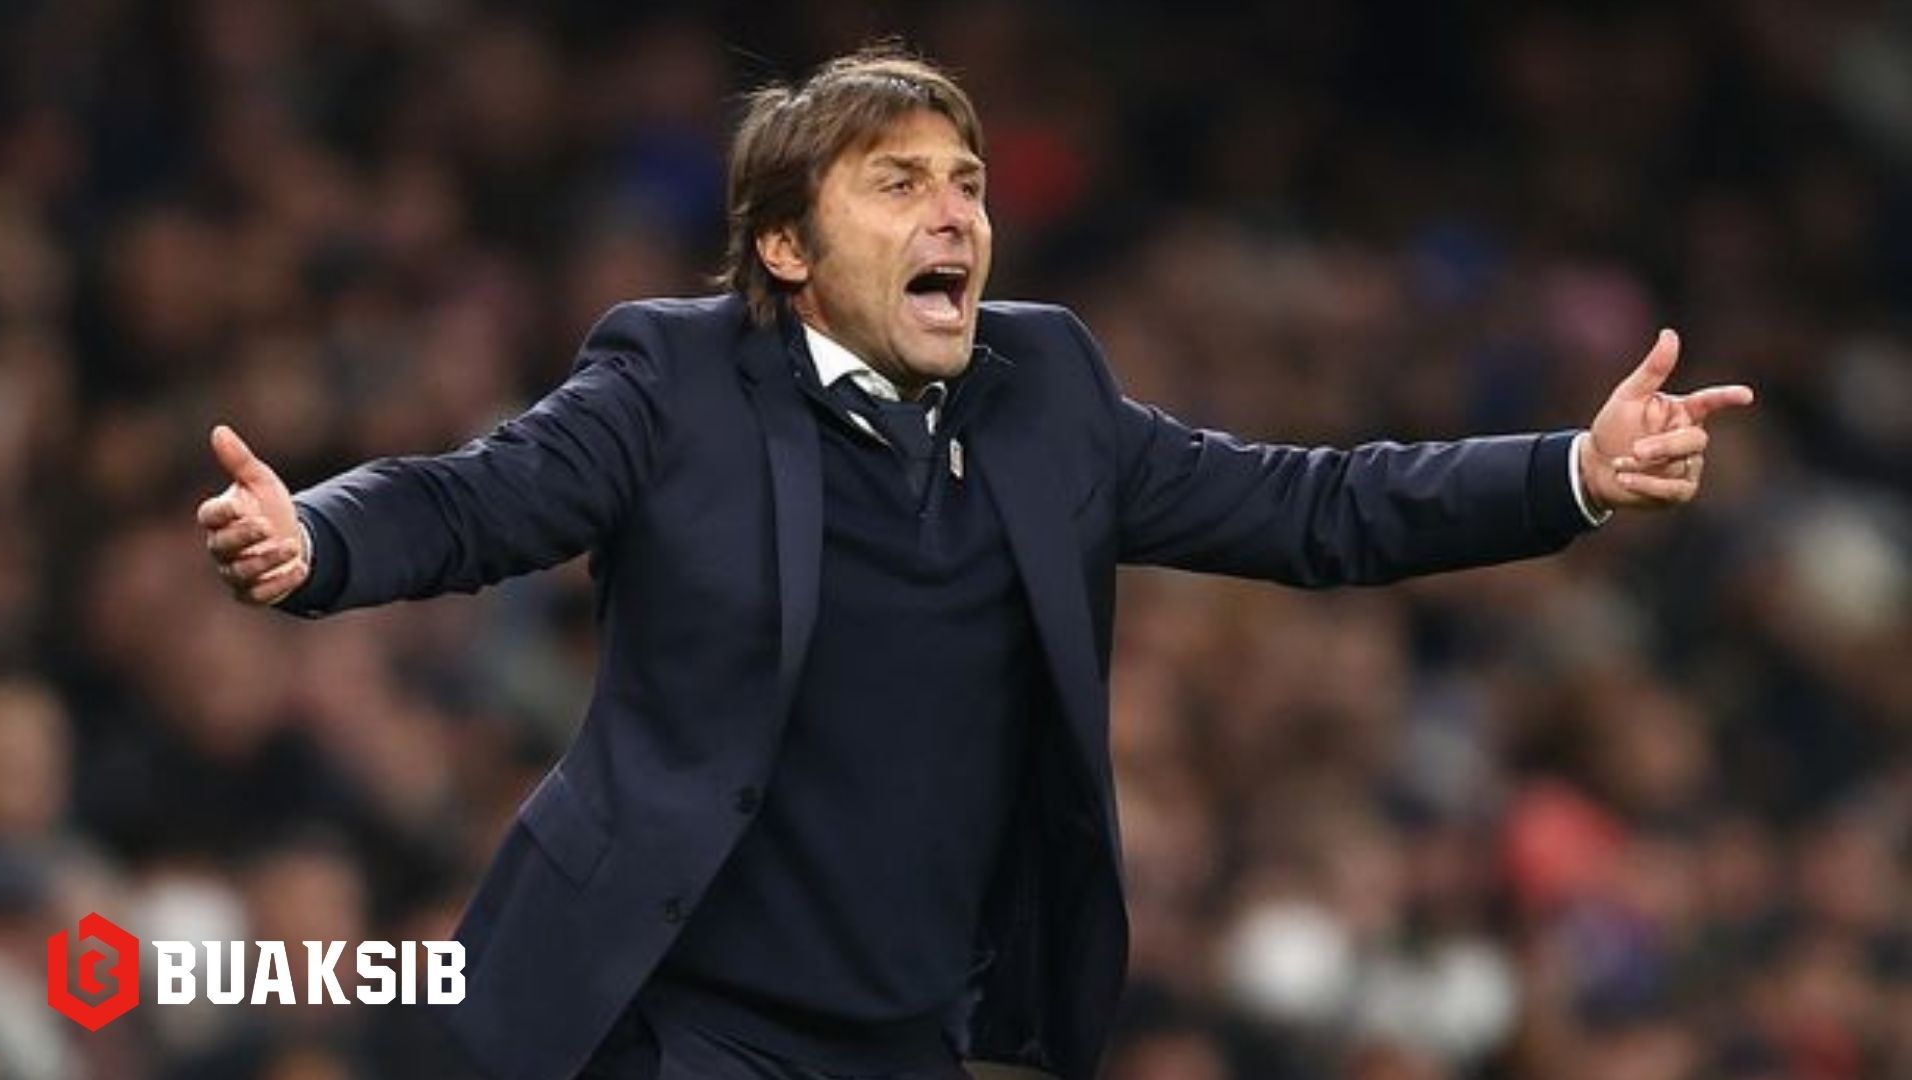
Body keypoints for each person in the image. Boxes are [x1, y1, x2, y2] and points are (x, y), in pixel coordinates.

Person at [197, 47, 1753, 1080]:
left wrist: (1572, 469)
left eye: (968, 183)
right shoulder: (674, 381)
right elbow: (479, 500)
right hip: (676, 1017)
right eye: (898, 184)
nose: (954, 213)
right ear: (788, 248)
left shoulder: (1047, 389)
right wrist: (318, 535)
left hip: (904, 1033)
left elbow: (1313, 508)